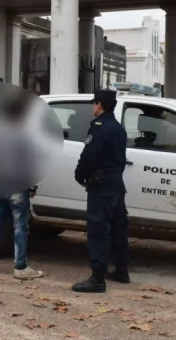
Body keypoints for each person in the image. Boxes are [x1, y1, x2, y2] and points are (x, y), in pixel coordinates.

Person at [71, 89, 130, 293]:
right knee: (118, 228)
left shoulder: (99, 127)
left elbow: (90, 154)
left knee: (98, 230)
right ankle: (122, 270)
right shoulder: (118, 128)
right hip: (116, 184)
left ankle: (97, 278)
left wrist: (80, 174)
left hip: (101, 186)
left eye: (94, 103)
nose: (92, 107)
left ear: (99, 105)